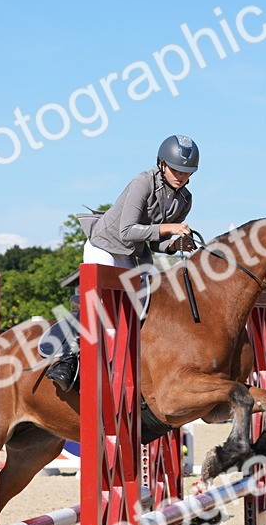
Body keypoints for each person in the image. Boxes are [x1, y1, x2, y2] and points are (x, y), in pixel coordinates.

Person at [45, 134, 200, 390]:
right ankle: (68, 359)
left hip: (133, 255)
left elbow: (155, 244)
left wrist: (175, 245)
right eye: (176, 169)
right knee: (99, 302)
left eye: (186, 171)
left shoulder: (185, 200)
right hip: (104, 247)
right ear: (162, 164)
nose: (181, 175)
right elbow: (127, 231)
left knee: (148, 301)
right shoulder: (144, 182)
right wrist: (168, 228)